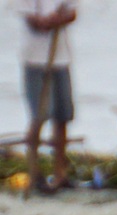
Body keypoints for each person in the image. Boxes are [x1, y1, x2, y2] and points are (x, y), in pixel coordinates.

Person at [18, 0, 76, 193]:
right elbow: (33, 22)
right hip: (35, 61)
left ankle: (60, 174)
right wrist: (49, 21)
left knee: (62, 116)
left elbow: (72, 13)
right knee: (40, 114)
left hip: (60, 59)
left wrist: (61, 18)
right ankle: (34, 173)